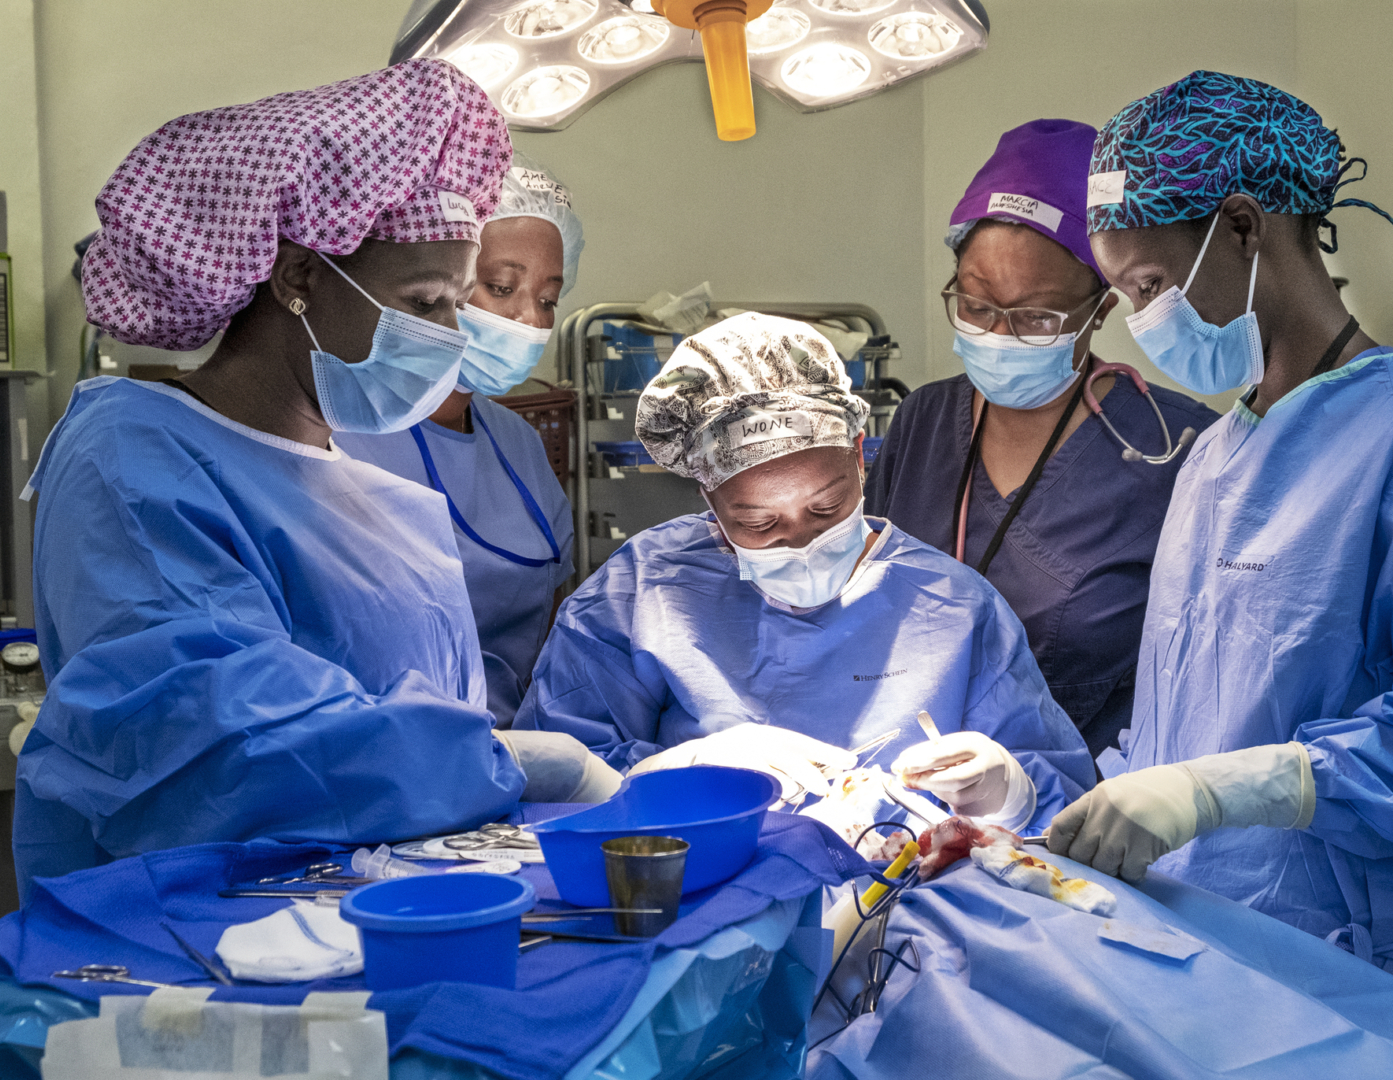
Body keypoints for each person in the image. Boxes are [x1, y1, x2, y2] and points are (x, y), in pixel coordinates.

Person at [14, 61, 617, 900]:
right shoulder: (132, 457)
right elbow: (226, 751)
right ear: (298, 276)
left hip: (374, 914)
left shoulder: (357, 487)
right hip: (196, 944)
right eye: (429, 299)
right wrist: (521, 763)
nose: (452, 336)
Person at [1047, 71, 1393, 970]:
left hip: (1336, 958)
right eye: (1124, 296)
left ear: (1244, 226)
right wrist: (1092, 798)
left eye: (1153, 282)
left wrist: (1235, 787)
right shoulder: (1212, 457)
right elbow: (1179, 721)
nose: (1142, 324)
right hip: (1188, 938)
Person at [514, 311, 1095, 833]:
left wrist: (1010, 792)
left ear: (860, 455)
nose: (801, 542)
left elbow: (1067, 810)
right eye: (758, 523)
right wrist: (682, 772)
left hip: (911, 899)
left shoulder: (953, 606)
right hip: (703, 892)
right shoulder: (642, 590)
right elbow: (554, 780)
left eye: (826, 508)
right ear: (707, 495)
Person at [866, 120, 1218, 761]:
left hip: (1083, 811)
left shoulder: (1179, 448)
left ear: (1101, 310)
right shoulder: (921, 421)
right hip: (906, 783)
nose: (998, 334)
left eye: (1035, 318)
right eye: (975, 306)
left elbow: (1205, 678)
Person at [339, 154, 581, 725]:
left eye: (548, 298)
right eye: (501, 287)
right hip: (376, 745)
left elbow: (550, 612)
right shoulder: (342, 428)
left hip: (514, 746)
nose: (530, 320)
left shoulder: (518, 441)